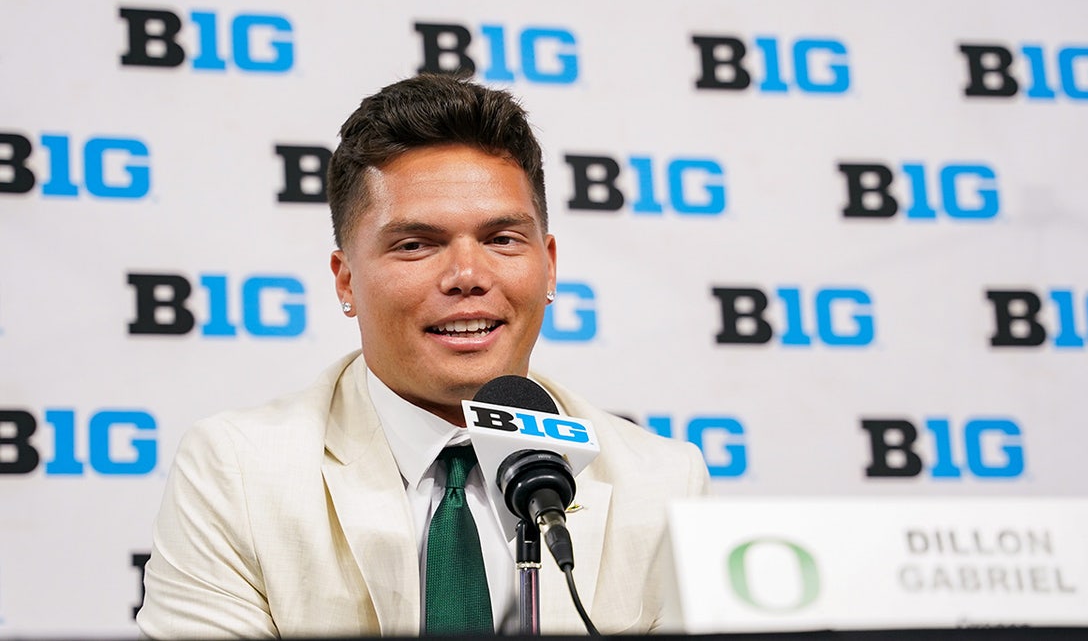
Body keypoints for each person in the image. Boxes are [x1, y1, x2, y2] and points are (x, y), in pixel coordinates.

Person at [136, 73, 711, 638]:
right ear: (346, 282)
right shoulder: (236, 471)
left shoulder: (662, 482)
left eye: (502, 239)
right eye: (416, 245)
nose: (468, 276)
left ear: (550, 264)